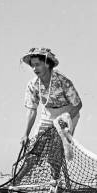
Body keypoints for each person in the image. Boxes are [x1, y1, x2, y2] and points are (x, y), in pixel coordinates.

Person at [18, 47, 82, 183]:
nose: (35, 69)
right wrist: (25, 134)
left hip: (68, 112)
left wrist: (65, 120)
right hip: (48, 114)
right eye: (32, 65)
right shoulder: (33, 84)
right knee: (35, 147)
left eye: (38, 64)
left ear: (47, 64)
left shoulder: (62, 81)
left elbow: (78, 105)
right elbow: (31, 109)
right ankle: (18, 180)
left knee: (55, 148)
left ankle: (55, 183)